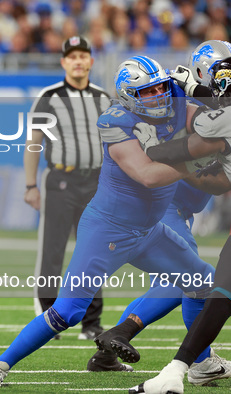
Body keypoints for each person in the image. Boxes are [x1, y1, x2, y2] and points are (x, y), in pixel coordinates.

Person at [0, 55, 217, 387]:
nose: (160, 96)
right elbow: (147, 176)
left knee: (203, 284)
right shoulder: (115, 121)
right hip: (109, 229)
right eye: (148, 92)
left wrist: (209, 104)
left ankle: (201, 364)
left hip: (149, 231)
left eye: (161, 87)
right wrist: (195, 160)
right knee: (68, 312)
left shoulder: (177, 99)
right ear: (129, 96)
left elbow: (211, 120)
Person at [88, 41, 231, 381]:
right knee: (195, 279)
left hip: (178, 207)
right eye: (222, 72)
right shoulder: (182, 103)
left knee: (185, 279)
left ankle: (108, 351)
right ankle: (198, 362)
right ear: (202, 73)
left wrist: (195, 87)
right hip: (165, 204)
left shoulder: (199, 98)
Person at [129, 57, 231, 394]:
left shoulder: (216, 114)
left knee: (213, 289)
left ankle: (179, 367)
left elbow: (202, 140)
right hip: (173, 206)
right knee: (210, 288)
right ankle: (189, 365)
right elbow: (214, 174)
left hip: (178, 204)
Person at [24, 35, 111, 341]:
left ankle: (91, 322)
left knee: (94, 251)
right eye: (71, 56)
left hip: (96, 182)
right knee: (53, 250)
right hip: (60, 181)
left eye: (82, 55)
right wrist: (31, 185)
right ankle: (49, 316)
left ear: (91, 61)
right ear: (63, 62)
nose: (77, 61)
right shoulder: (49, 96)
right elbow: (33, 144)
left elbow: (116, 145)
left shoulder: (103, 98)